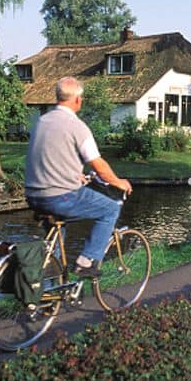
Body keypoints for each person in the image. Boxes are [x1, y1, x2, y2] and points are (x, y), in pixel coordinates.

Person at [25, 76, 133, 278]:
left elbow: (48, 154)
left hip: (33, 195)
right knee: (109, 210)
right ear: (77, 100)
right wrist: (119, 182)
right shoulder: (77, 126)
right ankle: (86, 262)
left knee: (57, 233)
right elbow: (99, 166)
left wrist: (74, 174)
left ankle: (52, 287)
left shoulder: (41, 121)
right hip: (59, 196)